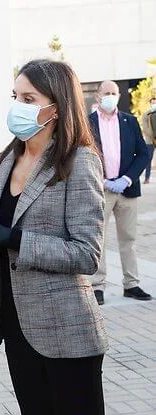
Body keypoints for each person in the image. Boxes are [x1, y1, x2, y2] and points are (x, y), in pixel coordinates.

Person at [0, 59, 108, 414]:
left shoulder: (78, 160)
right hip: (16, 326)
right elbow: (3, 238)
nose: (17, 106)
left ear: (55, 107)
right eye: (15, 96)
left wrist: (12, 238)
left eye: (29, 99)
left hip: (67, 331)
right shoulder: (5, 161)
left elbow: (86, 254)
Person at [89, 81, 152, 304]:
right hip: (101, 190)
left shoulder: (130, 121)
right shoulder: (88, 123)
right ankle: (97, 286)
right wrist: (104, 180)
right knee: (99, 240)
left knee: (129, 239)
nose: (110, 96)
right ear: (97, 97)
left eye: (114, 93)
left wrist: (126, 179)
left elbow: (142, 154)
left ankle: (131, 284)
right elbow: (83, 156)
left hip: (126, 189)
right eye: (106, 93)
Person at [140, 97, 156, 184]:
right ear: (150, 104)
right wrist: (153, 137)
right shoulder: (146, 114)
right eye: (153, 103)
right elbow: (145, 129)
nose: (154, 104)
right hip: (150, 140)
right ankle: (147, 178)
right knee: (148, 159)